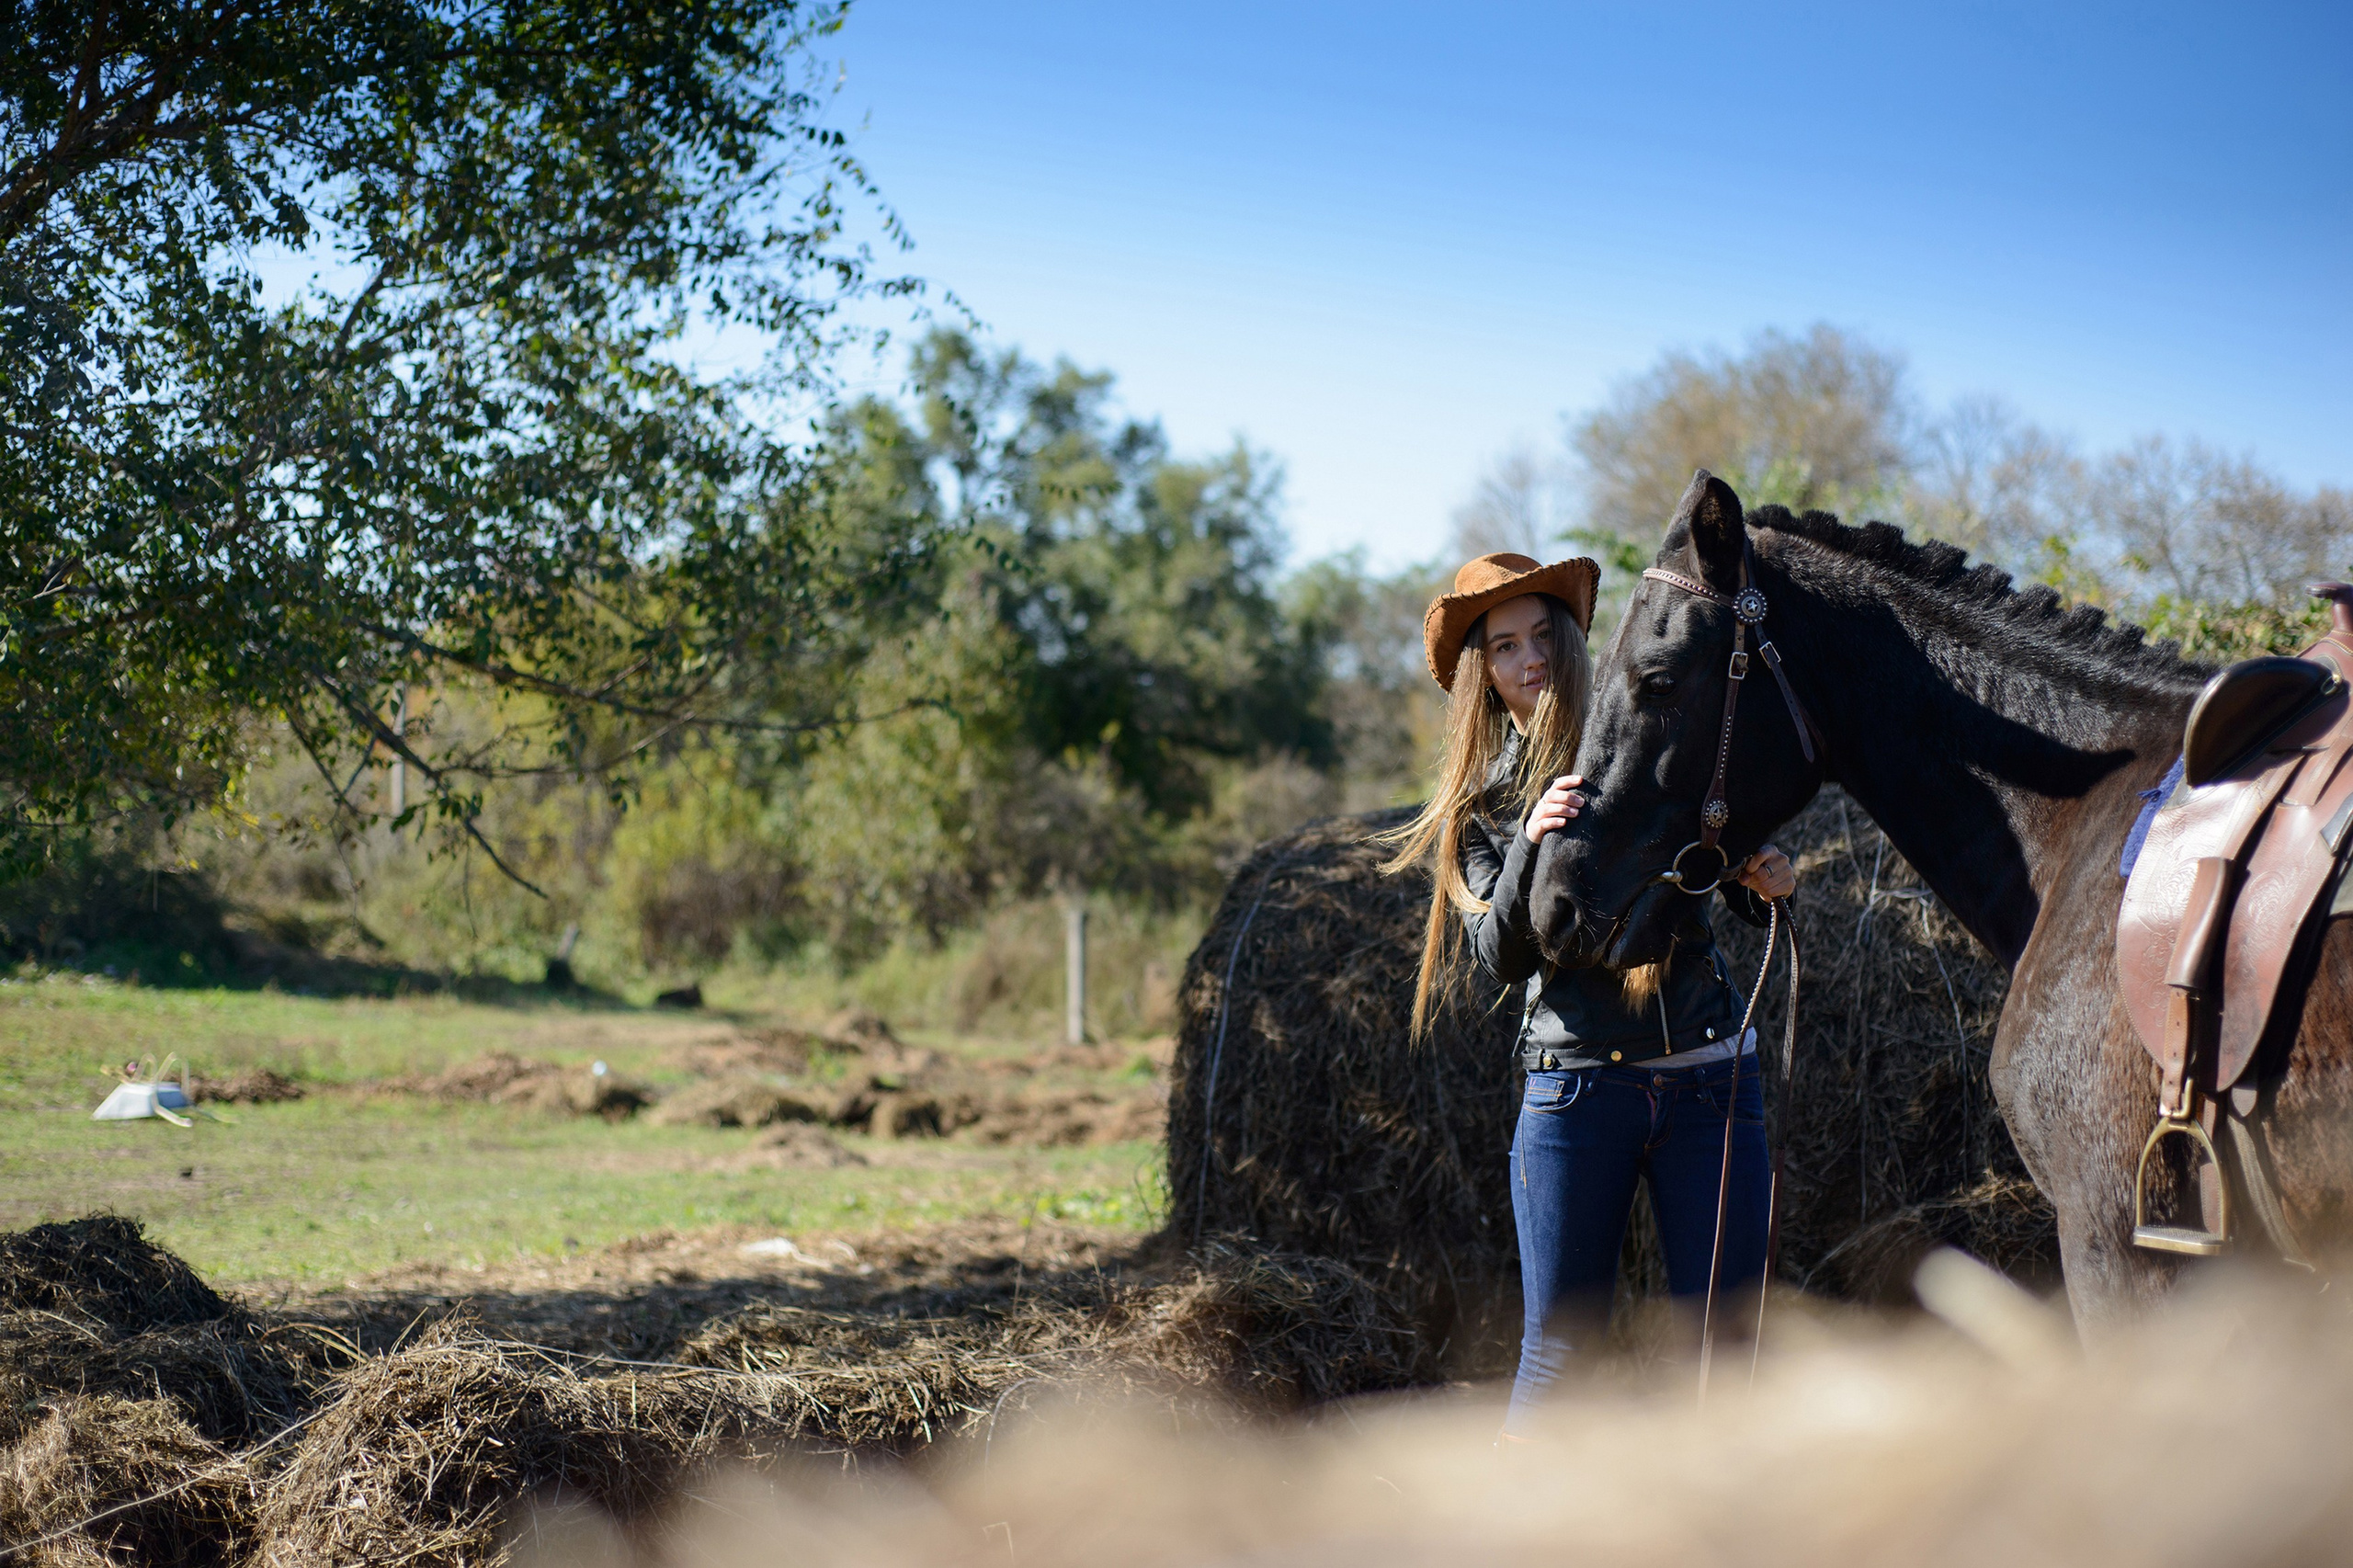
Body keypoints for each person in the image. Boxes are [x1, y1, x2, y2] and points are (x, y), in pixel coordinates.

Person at [1381, 551, 1795, 1437]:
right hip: (1577, 1094)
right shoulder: (1485, 810)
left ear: (1571, 639)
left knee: (1728, 1349)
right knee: (1561, 1356)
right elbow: (1500, 955)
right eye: (1504, 646)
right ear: (1483, 673)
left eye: (1542, 634)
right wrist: (1532, 839)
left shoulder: (1654, 743)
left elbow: (1713, 870)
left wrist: (1762, 877)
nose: (1530, 657)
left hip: (1711, 1079)